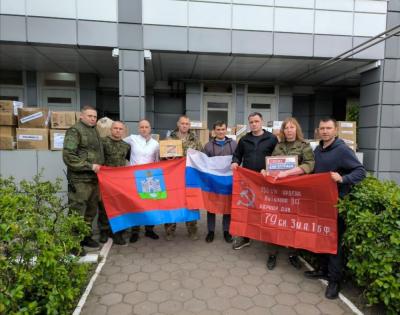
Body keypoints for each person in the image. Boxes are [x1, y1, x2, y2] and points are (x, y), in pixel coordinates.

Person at [304, 117, 365, 299]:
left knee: (334, 243)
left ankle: (334, 280)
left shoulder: (342, 150)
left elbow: (360, 171)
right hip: (320, 203)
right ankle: (322, 270)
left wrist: (342, 179)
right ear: (318, 131)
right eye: (322, 128)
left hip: (336, 204)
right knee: (321, 237)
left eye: (328, 128)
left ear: (335, 130)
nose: (325, 131)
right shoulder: (318, 150)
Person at [261, 117, 315, 270]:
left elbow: (309, 164)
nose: (289, 130)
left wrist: (289, 173)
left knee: (293, 222)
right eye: (286, 128)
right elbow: (271, 163)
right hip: (278, 192)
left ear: (296, 129)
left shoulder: (304, 146)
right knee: (274, 220)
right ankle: (272, 253)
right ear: (283, 131)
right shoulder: (279, 146)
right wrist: (265, 171)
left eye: (292, 127)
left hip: (295, 192)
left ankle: (293, 253)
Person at [231, 112, 278, 250]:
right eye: (251, 122)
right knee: (248, 209)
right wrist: (235, 162)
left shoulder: (272, 139)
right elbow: (237, 155)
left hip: (266, 181)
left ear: (262, 121)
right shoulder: (244, 140)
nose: (254, 124)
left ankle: (269, 238)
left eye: (256, 121)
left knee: (267, 208)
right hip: (249, 181)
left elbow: (278, 157)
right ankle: (246, 237)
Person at [63, 105, 104, 251]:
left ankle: (85, 237)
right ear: (82, 116)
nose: (93, 118)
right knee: (77, 212)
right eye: (90, 116)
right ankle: (74, 245)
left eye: (94, 116)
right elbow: (69, 156)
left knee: (90, 211)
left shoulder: (94, 131)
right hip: (80, 180)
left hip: (94, 180)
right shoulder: (75, 130)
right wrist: (90, 166)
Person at [164, 115, 203, 241]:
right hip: (173, 178)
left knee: (191, 203)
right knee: (172, 203)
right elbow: (163, 158)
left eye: (187, 123)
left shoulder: (195, 140)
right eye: (182, 123)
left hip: (190, 177)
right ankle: (170, 230)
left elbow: (201, 157)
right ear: (178, 124)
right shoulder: (169, 139)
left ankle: (192, 230)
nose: (184, 125)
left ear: (189, 125)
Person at [124, 119, 160, 243]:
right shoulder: (132, 138)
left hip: (150, 176)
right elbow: (119, 144)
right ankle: (135, 231)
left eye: (146, 127)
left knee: (150, 204)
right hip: (134, 176)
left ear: (150, 128)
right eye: (142, 127)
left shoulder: (155, 143)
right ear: (138, 128)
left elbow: (157, 161)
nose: (144, 129)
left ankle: (149, 229)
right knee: (136, 204)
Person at [203, 121, 237, 243]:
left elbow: (237, 159)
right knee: (211, 206)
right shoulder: (207, 146)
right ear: (214, 131)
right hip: (213, 181)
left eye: (223, 129)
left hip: (228, 181)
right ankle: (211, 231)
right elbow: (203, 162)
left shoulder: (234, 144)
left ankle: (226, 231)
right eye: (218, 129)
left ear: (226, 130)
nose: (221, 131)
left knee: (227, 206)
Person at [98, 121, 131, 245]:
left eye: (120, 129)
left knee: (119, 206)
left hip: (119, 181)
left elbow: (127, 161)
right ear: (111, 130)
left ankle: (117, 233)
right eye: (115, 128)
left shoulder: (126, 146)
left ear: (124, 131)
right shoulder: (102, 142)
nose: (118, 130)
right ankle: (104, 231)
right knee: (104, 206)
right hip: (105, 180)